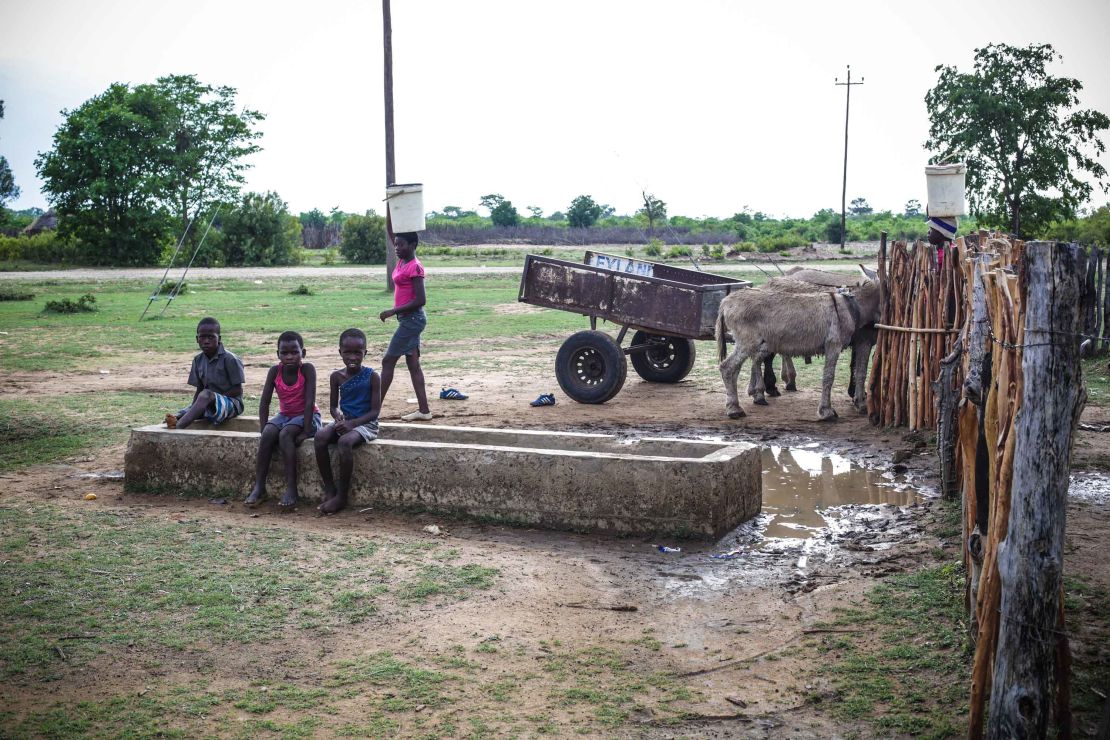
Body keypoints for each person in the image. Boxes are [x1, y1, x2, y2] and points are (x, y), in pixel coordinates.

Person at [245, 331, 320, 509]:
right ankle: (259, 486)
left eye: (294, 352)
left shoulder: (307, 369)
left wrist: (306, 430)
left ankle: (292, 488)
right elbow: (264, 402)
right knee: (269, 434)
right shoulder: (275, 371)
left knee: (285, 435)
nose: (289, 357)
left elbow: (309, 402)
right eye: (284, 353)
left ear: (303, 353)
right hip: (285, 415)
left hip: (308, 417)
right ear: (277, 354)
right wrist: (263, 428)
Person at [314, 328, 381, 514]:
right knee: (320, 437)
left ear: (365, 353)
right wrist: (338, 417)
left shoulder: (373, 376)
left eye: (357, 352)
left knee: (344, 442)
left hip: (366, 424)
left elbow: (375, 412)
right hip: (347, 421)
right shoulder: (336, 377)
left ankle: (342, 496)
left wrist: (352, 424)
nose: (352, 357)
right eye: (347, 352)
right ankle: (329, 488)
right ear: (340, 353)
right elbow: (333, 406)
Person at [379, 214, 432, 420]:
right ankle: (424, 411)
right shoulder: (402, 261)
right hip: (408, 319)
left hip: (413, 320)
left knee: (387, 361)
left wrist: (394, 310)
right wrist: (393, 209)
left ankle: (373, 410)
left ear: (413, 245)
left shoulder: (415, 267)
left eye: (401, 245)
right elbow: (392, 232)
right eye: (396, 245)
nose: (397, 248)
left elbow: (421, 300)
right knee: (413, 365)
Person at [171, 317, 245, 429]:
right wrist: (195, 407)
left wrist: (212, 398)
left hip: (231, 403)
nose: (206, 341)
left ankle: (179, 428)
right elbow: (199, 390)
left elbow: (237, 390)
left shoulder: (230, 359)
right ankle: (177, 421)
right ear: (197, 339)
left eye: (211, 337)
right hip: (208, 402)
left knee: (205, 395)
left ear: (219, 338)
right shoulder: (198, 360)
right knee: (180, 414)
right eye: (202, 337)